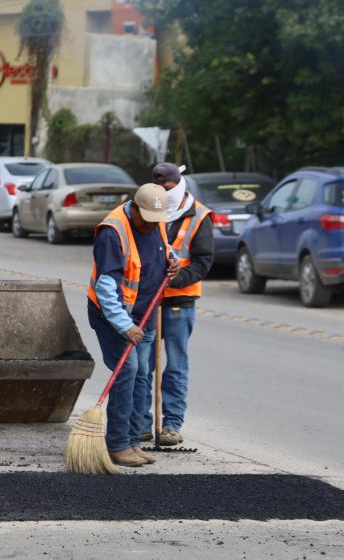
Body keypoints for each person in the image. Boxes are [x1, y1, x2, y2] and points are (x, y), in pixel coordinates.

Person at [87, 183, 180, 468]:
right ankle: (116, 444)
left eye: (157, 221)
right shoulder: (112, 232)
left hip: (146, 314)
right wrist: (125, 326)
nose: (151, 226)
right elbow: (106, 289)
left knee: (142, 375)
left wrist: (172, 261)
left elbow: (163, 250)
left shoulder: (157, 222)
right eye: (146, 220)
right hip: (114, 317)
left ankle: (132, 441)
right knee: (127, 371)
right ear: (135, 207)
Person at [141, 162, 214, 446]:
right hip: (147, 298)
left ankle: (171, 424)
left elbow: (204, 260)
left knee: (176, 363)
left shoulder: (199, 215)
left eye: (169, 187)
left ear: (178, 183)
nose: (166, 192)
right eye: (160, 187)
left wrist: (177, 277)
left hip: (179, 300)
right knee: (142, 365)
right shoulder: (148, 207)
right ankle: (143, 423)